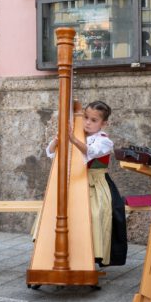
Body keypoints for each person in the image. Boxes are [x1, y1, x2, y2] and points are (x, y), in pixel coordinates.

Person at [46, 101, 127, 266]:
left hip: (96, 184)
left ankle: (90, 255)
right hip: (75, 183)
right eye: (86, 118)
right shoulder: (76, 134)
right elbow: (51, 153)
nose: (88, 123)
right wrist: (58, 139)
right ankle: (67, 252)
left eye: (94, 120)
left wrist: (74, 140)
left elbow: (92, 152)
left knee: (95, 215)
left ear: (104, 123)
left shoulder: (104, 141)